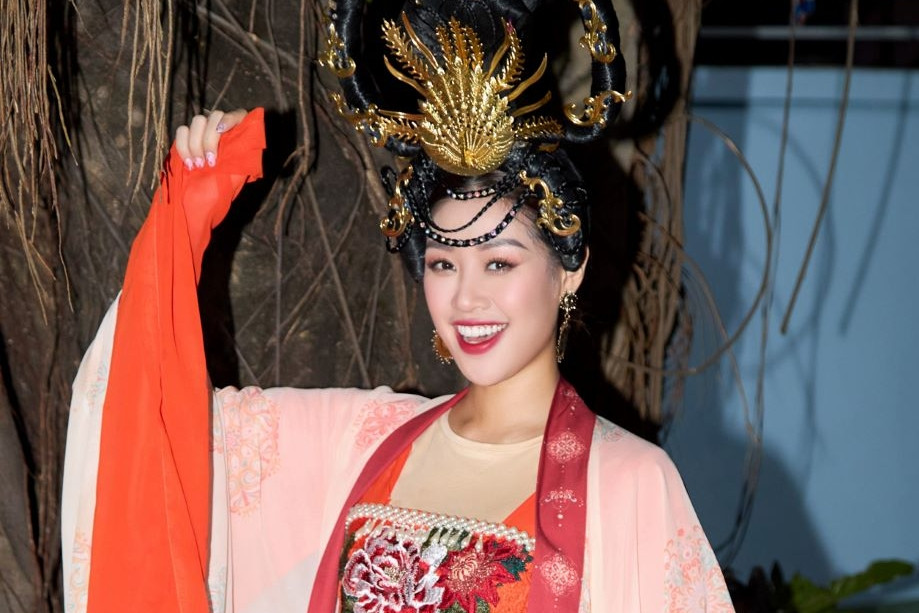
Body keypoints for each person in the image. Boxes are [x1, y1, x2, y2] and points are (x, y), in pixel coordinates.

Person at [62, 0, 733, 611]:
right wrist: (190, 207)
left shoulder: (628, 482)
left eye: (499, 263)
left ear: (568, 270)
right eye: (443, 263)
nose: (466, 297)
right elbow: (156, 428)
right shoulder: (361, 442)